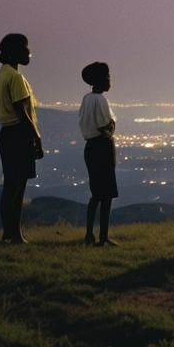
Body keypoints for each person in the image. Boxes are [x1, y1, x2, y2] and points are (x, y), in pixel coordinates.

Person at [0, 33, 43, 244]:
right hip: (18, 135)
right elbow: (22, 113)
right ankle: (15, 234)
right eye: (25, 48)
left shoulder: (3, 74)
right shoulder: (15, 78)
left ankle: (9, 233)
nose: (29, 52)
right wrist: (36, 137)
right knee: (17, 187)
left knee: (10, 186)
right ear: (16, 52)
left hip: (7, 134)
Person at [78, 61, 118, 247]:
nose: (110, 80)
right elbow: (106, 126)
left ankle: (89, 234)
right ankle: (103, 237)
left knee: (96, 194)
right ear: (101, 79)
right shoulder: (101, 100)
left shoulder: (86, 99)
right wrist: (111, 126)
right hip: (103, 147)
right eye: (108, 77)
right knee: (107, 194)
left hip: (90, 148)